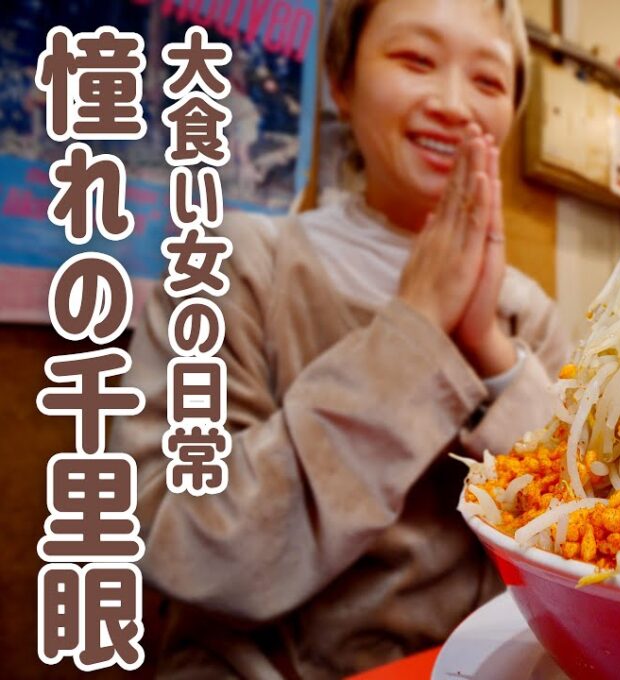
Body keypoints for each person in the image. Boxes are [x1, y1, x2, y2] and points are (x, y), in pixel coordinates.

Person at [112, 0, 569, 676]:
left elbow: (580, 541)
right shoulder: (236, 265)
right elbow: (178, 542)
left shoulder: (526, 314)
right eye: (415, 59)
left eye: (488, 81)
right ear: (342, 83)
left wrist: (492, 355)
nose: (453, 105)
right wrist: (414, 327)